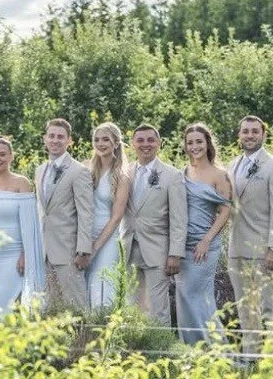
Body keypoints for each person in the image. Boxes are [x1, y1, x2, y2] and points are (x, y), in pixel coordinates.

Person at [226, 115, 273, 356]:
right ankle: (252, 357)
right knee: (246, 309)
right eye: (245, 131)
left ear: (263, 134)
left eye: (255, 131)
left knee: (270, 308)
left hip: (264, 249)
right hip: (236, 247)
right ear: (239, 135)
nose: (249, 135)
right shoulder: (231, 165)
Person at [121, 124, 187, 326]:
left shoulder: (172, 175)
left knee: (158, 308)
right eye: (140, 140)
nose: (145, 144)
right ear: (133, 144)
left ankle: (161, 352)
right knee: (132, 306)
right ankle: (135, 352)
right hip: (129, 246)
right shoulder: (124, 172)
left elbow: (179, 218)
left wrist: (175, 254)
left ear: (159, 143)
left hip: (157, 249)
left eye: (150, 140)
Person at [177, 123, 232, 344]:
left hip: (204, 245)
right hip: (183, 244)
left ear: (207, 143)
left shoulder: (220, 175)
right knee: (183, 296)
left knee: (197, 295)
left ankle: (215, 348)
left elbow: (226, 210)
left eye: (199, 141)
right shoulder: (182, 172)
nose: (194, 146)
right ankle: (191, 348)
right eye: (190, 142)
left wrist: (206, 240)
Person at [0, 136, 45, 317]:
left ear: (11, 156)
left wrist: (25, 253)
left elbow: (31, 222)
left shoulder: (21, 183)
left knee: (5, 303)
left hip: (13, 255)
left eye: (2, 154)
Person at [35, 118, 94, 309]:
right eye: (51, 136)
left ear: (69, 141)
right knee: (51, 307)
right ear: (45, 139)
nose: (55, 140)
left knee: (76, 305)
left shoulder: (79, 171)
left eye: (60, 137)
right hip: (43, 250)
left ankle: (84, 339)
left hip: (68, 250)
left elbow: (86, 213)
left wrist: (83, 250)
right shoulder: (39, 170)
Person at [85, 123, 131, 311]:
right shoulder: (87, 170)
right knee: (84, 291)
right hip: (84, 238)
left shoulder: (121, 176)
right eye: (96, 139)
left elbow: (117, 216)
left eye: (105, 139)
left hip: (107, 240)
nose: (100, 143)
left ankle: (104, 336)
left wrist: (95, 247)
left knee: (103, 291)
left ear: (116, 143)